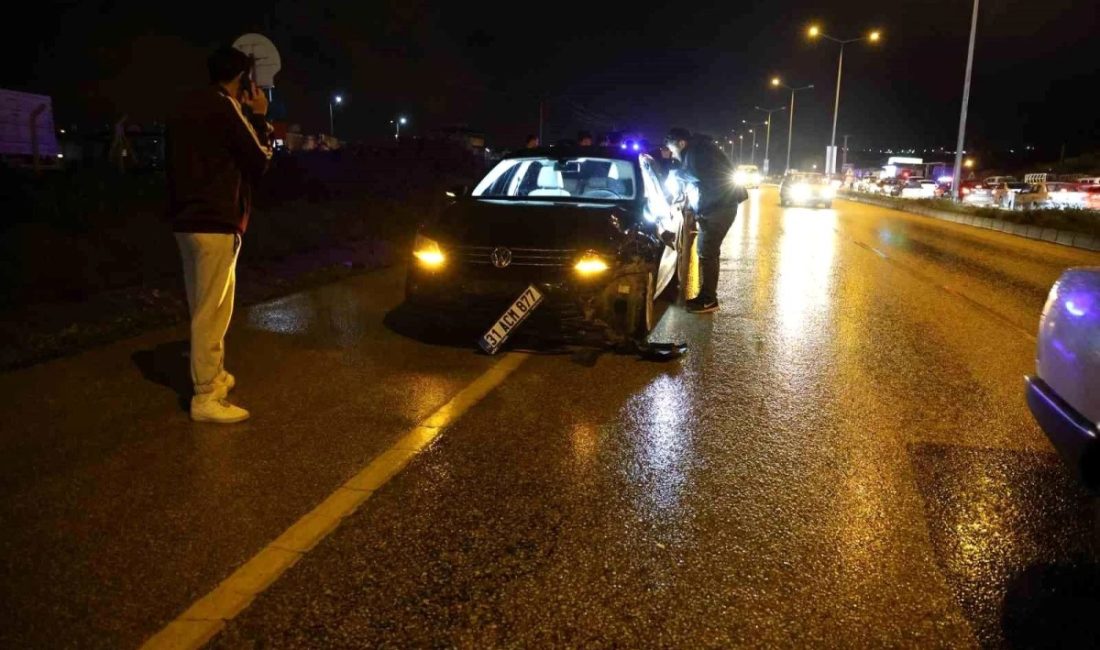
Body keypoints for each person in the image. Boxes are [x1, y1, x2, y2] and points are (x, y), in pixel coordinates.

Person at [167, 46, 273, 423]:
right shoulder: (224, 107)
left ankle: (214, 374)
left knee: (203, 305)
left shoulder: (185, 107)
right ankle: (206, 395)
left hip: (186, 220)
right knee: (212, 309)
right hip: (215, 220)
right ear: (241, 79)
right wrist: (259, 117)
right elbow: (259, 158)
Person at [664, 127, 746, 313]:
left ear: (681, 143)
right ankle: (706, 297)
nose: (674, 156)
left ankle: (709, 300)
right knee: (707, 252)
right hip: (719, 207)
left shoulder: (697, 152)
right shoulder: (699, 149)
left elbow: (696, 174)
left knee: (707, 252)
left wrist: (676, 174)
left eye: (674, 150)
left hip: (719, 209)